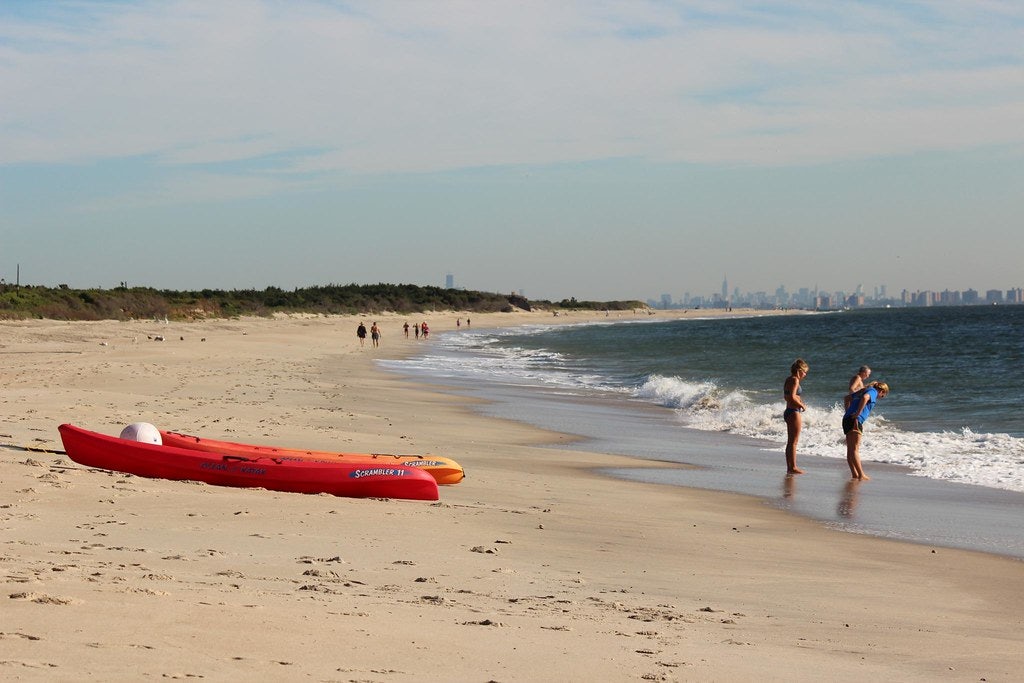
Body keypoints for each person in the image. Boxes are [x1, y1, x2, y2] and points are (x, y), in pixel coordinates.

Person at [842, 381, 890, 481]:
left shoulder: (863, 390)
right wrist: (857, 413)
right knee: (855, 449)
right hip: (855, 420)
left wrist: (848, 412)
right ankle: (861, 474)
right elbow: (865, 398)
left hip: (847, 419)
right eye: (883, 395)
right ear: (881, 390)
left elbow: (846, 398)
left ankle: (855, 474)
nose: (881, 397)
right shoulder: (873, 391)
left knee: (850, 450)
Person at [783, 358, 809, 475]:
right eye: (804, 372)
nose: (805, 374)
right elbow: (793, 396)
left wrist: (798, 401)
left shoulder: (788, 379)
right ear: (799, 370)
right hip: (794, 411)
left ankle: (790, 467)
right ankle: (792, 467)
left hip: (788, 410)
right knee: (794, 442)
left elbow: (786, 396)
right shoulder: (795, 380)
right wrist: (802, 405)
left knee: (790, 442)